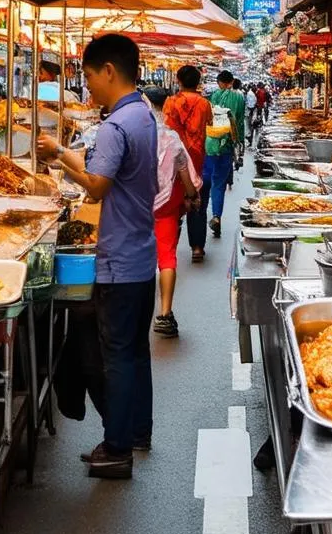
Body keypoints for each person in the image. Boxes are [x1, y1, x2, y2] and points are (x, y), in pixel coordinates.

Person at [37, 34, 157, 480]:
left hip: (120, 258)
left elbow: (98, 184)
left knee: (118, 356)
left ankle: (117, 446)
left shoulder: (116, 124)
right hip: (140, 253)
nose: (87, 85)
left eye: (88, 75)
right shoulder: (143, 114)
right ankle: (137, 431)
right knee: (135, 353)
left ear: (109, 70)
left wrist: (61, 156)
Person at [147, 89, 202, 337]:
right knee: (167, 257)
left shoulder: (133, 135)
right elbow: (184, 175)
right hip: (166, 207)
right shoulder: (171, 139)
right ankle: (165, 314)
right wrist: (192, 196)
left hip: (134, 207)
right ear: (166, 105)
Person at [163, 65, 213, 262]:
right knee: (197, 200)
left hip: (175, 157)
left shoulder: (171, 102)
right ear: (198, 82)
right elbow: (208, 124)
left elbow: (167, 128)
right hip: (197, 156)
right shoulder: (204, 103)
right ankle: (197, 247)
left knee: (174, 198)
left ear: (178, 80)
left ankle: (170, 246)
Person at [205, 69, 246, 239]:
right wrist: (240, 144)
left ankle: (202, 216)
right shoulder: (239, 97)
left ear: (220, 82)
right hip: (228, 146)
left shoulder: (212, 96)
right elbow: (240, 122)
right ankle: (216, 215)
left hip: (210, 145)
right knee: (219, 185)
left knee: (207, 181)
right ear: (231, 81)